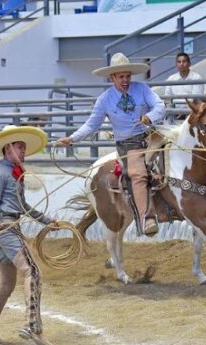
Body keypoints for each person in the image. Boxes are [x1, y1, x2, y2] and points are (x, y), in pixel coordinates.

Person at [56, 53, 166, 236]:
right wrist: (73, 139)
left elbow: (160, 106)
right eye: (121, 77)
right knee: (137, 174)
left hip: (152, 137)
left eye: (128, 76)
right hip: (129, 145)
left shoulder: (143, 89)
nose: (125, 80)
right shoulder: (105, 99)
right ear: (112, 77)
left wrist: (149, 117)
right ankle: (146, 217)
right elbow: (92, 124)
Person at [0, 125, 58, 345]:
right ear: (8, 148)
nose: (23, 151)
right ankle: (33, 326)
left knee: (7, 282)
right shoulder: (1, 173)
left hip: (9, 226)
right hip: (5, 227)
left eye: (23, 147)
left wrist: (47, 220)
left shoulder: (16, 174)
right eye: (19, 147)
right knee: (32, 271)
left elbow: (24, 207)